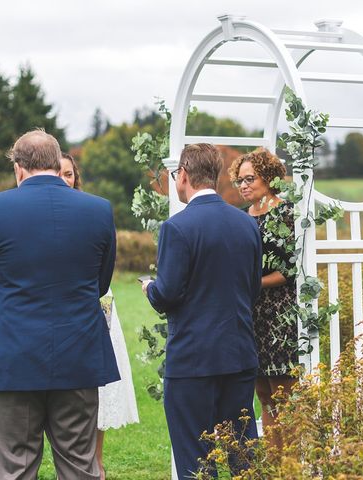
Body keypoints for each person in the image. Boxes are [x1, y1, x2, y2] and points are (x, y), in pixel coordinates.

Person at [0, 129, 119, 479]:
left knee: (14, 467)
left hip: (14, 355)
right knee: (80, 464)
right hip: (79, 352)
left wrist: (13, 309)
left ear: (18, 168)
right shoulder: (98, 210)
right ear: (56, 162)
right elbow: (101, 282)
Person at [141, 143, 262, 478]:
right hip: (238, 356)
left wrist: (150, 288)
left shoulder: (178, 227)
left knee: (197, 460)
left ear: (183, 175)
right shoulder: (246, 224)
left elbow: (166, 295)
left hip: (193, 361)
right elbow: (252, 289)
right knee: (243, 455)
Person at [60, 153, 139, 480]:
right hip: (61, 306)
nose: (64, 179)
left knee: (100, 389)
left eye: (69, 174)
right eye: (58, 173)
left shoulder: (91, 211)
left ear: (76, 177)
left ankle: (97, 462)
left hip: (98, 302)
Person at [228, 148, 298, 449]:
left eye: (250, 179)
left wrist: (254, 283)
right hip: (250, 314)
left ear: (268, 177)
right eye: (239, 180)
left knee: (284, 394)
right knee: (263, 395)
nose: (243, 185)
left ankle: (291, 464)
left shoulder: (285, 213)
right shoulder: (242, 218)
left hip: (279, 312)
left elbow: (291, 269)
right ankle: (273, 463)